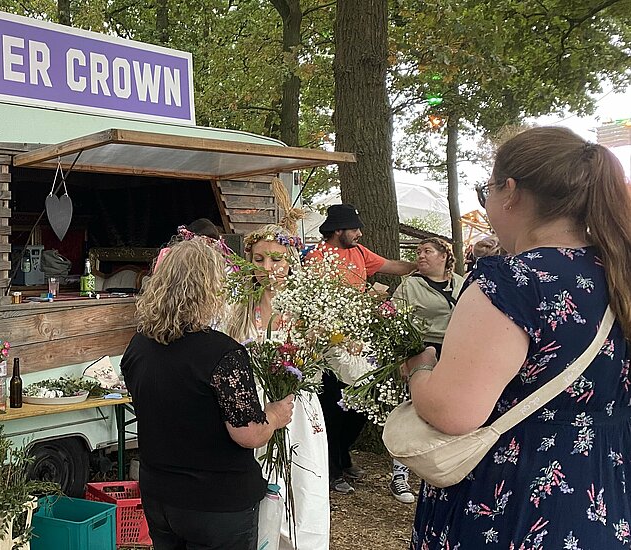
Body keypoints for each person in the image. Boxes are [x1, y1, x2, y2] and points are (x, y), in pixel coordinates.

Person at [403, 127, 631, 548]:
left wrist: (419, 370)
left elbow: (453, 411)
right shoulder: (620, 272)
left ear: (509, 191)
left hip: (513, 496)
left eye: (486, 190)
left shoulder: (512, 282)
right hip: (606, 488)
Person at [123, 238, 295, 550]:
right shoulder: (223, 352)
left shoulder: (139, 345)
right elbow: (249, 434)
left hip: (159, 494)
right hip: (216, 502)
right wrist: (274, 415)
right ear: (210, 290)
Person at [226, 225, 330, 550]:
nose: (267, 267)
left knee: (303, 487)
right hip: (253, 407)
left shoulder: (308, 307)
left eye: (276, 259)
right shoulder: (239, 307)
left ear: (291, 261)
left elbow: (334, 356)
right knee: (258, 487)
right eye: (259, 259)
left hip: (297, 407)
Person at [306, 203, 417, 495]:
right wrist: (368, 297)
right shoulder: (317, 257)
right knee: (334, 406)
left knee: (360, 404)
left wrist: (420, 265)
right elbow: (320, 300)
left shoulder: (360, 252)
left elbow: (392, 266)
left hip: (359, 343)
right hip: (330, 345)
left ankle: (342, 455)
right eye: (355, 228)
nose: (360, 233)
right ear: (338, 230)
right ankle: (332, 468)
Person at [388, 237, 464, 503]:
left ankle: (441, 471)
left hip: (454, 353)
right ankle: (400, 474)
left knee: (446, 412)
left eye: (427, 251)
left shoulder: (461, 284)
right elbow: (396, 321)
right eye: (418, 252)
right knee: (414, 412)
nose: (420, 256)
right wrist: (403, 359)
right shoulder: (410, 285)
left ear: (444, 256)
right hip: (421, 350)